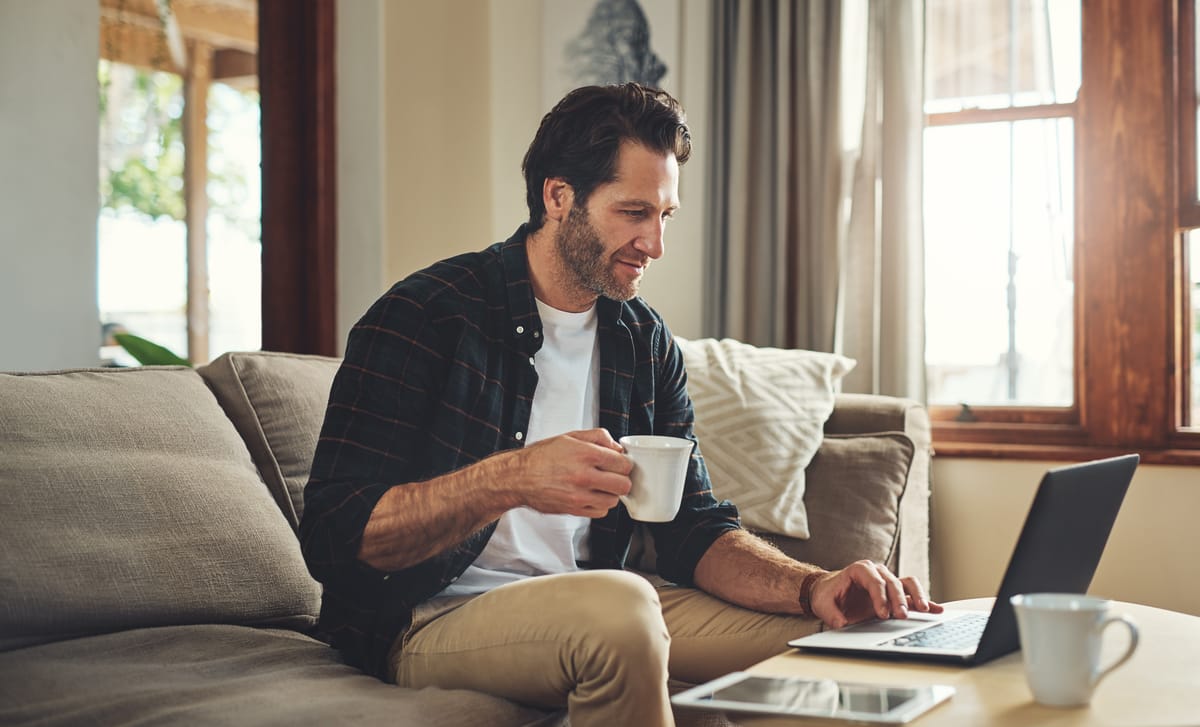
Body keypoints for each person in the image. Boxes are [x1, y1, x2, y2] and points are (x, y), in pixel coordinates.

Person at [299, 82, 941, 727]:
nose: (655, 244)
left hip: (608, 600)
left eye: (665, 216)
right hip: (430, 616)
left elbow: (694, 528)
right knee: (621, 609)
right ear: (559, 197)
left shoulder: (642, 339)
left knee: (849, 643)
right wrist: (513, 477)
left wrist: (813, 586)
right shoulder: (425, 315)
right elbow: (335, 535)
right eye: (634, 213)